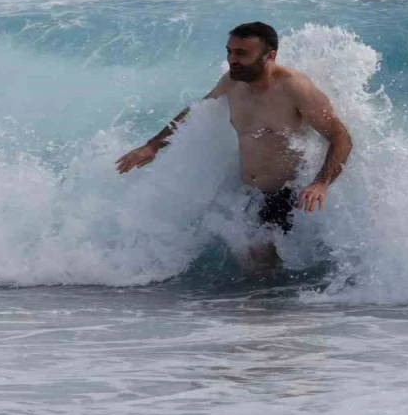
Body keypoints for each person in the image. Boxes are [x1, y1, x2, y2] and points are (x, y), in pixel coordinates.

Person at [115, 22, 352, 269]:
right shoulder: (232, 81)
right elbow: (197, 112)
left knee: (258, 260)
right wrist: (152, 145)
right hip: (248, 193)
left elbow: (340, 136)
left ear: (270, 56)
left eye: (241, 54)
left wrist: (321, 183)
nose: (232, 60)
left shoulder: (294, 87)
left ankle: (268, 306)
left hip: (285, 194)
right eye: (229, 51)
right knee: (247, 263)